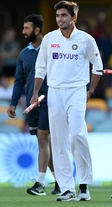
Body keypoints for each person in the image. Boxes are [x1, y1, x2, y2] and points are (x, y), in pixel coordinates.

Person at [30, 1, 103, 202]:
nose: (60, 19)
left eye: (64, 15)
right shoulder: (50, 39)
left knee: (77, 135)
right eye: (58, 16)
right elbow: (40, 68)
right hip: (54, 92)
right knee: (59, 140)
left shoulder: (86, 40)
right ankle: (66, 188)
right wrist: (35, 93)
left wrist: (91, 90)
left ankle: (84, 185)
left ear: (74, 17)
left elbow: (97, 67)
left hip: (77, 90)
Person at [6, 14, 61, 196]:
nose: (23, 31)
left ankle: (40, 183)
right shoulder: (24, 54)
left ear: (37, 30)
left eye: (26, 28)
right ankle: (61, 182)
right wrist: (13, 103)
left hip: (50, 100)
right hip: (32, 103)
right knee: (43, 141)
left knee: (43, 136)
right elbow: (19, 80)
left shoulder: (53, 50)